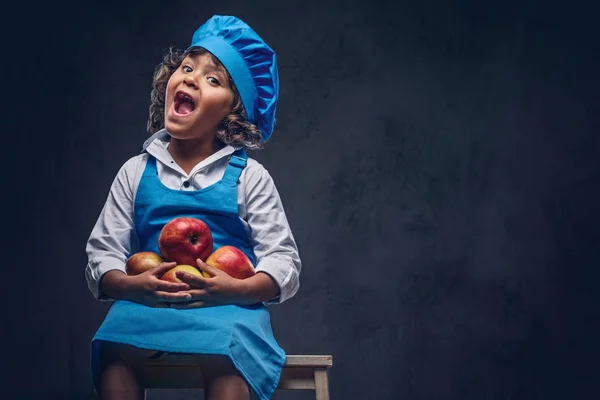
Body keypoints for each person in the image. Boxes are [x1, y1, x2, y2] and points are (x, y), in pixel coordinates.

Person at [85, 14, 301, 400]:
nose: (190, 78)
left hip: (228, 306)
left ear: (232, 111)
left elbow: (282, 260)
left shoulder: (249, 177)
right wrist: (132, 286)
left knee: (226, 361)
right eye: (187, 67)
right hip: (149, 302)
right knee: (114, 354)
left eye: (212, 79)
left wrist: (236, 289)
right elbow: (103, 252)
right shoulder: (135, 172)